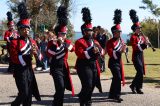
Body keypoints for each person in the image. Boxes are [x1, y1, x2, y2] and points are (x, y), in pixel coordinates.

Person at [10, 3, 41, 106]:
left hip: (29, 70)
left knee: (29, 94)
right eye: (23, 29)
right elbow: (15, 58)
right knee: (24, 92)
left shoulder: (32, 41)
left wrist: (37, 55)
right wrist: (29, 55)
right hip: (19, 70)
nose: (26, 31)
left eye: (28, 29)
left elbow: (40, 56)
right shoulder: (15, 42)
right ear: (19, 30)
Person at [46, 6, 75, 106]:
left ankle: (56, 102)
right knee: (60, 87)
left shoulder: (67, 41)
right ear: (58, 34)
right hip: (55, 67)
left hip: (64, 67)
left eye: (65, 34)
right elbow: (49, 53)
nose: (64, 36)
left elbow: (72, 49)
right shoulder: (52, 42)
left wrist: (63, 43)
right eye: (62, 34)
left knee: (62, 88)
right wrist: (57, 44)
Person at [75, 7, 103, 106]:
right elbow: (80, 54)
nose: (90, 32)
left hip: (93, 64)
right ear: (83, 31)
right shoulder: (79, 41)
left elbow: (102, 51)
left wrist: (99, 50)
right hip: (83, 65)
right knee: (87, 84)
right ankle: (83, 100)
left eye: (91, 30)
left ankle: (88, 99)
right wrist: (92, 50)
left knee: (93, 84)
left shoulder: (95, 41)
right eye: (88, 31)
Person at [106, 9, 126, 103]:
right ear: (114, 32)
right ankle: (116, 95)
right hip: (113, 62)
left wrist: (125, 50)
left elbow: (124, 50)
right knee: (118, 77)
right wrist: (120, 51)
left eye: (120, 31)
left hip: (119, 62)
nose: (120, 33)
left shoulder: (121, 40)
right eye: (118, 31)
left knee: (116, 78)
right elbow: (110, 53)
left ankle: (111, 93)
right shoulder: (110, 42)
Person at [129, 9, 147, 94]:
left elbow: (144, 46)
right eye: (138, 28)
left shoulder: (142, 37)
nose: (140, 29)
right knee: (139, 71)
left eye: (140, 28)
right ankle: (133, 86)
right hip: (136, 56)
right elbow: (136, 47)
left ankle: (138, 87)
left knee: (141, 72)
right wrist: (144, 44)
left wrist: (146, 42)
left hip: (141, 55)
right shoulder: (133, 37)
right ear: (135, 29)